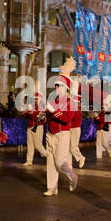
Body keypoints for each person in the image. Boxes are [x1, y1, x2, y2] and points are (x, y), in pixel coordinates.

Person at [43, 58, 78, 196]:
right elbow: (47, 116)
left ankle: (72, 176)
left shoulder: (71, 102)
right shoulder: (52, 100)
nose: (56, 88)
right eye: (56, 85)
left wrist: (54, 111)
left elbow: (67, 119)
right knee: (50, 162)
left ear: (66, 88)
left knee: (59, 162)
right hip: (50, 133)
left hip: (63, 133)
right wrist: (42, 115)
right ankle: (52, 187)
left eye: (58, 85)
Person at [22, 92, 47, 166]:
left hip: (38, 127)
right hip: (30, 127)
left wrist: (30, 112)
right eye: (34, 98)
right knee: (30, 145)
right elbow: (25, 115)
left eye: (36, 98)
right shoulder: (31, 106)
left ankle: (48, 156)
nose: (35, 100)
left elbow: (37, 117)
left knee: (38, 145)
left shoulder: (42, 107)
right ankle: (29, 160)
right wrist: (25, 112)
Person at [68, 89, 86, 169]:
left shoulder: (78, 110)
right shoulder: (73, 109)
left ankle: (81, 158)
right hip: (70, 129)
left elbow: (72, 118)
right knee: (68, 147)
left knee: (73, 147)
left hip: (75, 129)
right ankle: (69, 164)